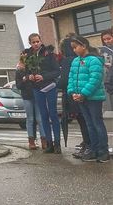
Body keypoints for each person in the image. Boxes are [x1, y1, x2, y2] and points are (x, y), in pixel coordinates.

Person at [68, 35, 110, 163]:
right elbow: (71, 78)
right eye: (73, 48)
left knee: (97, 123)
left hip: (93, 98)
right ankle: (93, 149)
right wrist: (73, 92)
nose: (74, 50)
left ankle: (103, 151)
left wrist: (83, 93)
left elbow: (95, 79)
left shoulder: (94, 60)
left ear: (84, 46)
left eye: (76, 47)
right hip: (81, 98)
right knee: (89, 124)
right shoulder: (75, 61)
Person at [18, 33, 61, 154]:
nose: (36, 44)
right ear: (30, 43)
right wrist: (28, 76)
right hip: (36, 88)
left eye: (38, 41)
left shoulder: (49, 53)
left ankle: (57, 143)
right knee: (43, 116)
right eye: (33, 42)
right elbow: (21, 71)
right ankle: (49, 143)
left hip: (49, 86)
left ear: (41, 41)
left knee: (53, 114)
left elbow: (57, 71)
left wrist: (44, 76)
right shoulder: (26, 54)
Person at [58, 35, 91, 158]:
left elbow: (65, 81)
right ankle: (90, 144)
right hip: (84, 94)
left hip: (74, 96)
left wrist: (56, 83)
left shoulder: (68, 61)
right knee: (89, 121)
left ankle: (88, 144)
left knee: (83, 122)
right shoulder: (82, 58)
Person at [16, 55, 47, 150]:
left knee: (40, 119)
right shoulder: (19, 71)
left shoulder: (34, 67)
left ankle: (44, 140)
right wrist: (25, 79)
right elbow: (18, 85)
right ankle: (31, 141)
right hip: (27, 96)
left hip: (36, 94)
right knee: (30, 119)